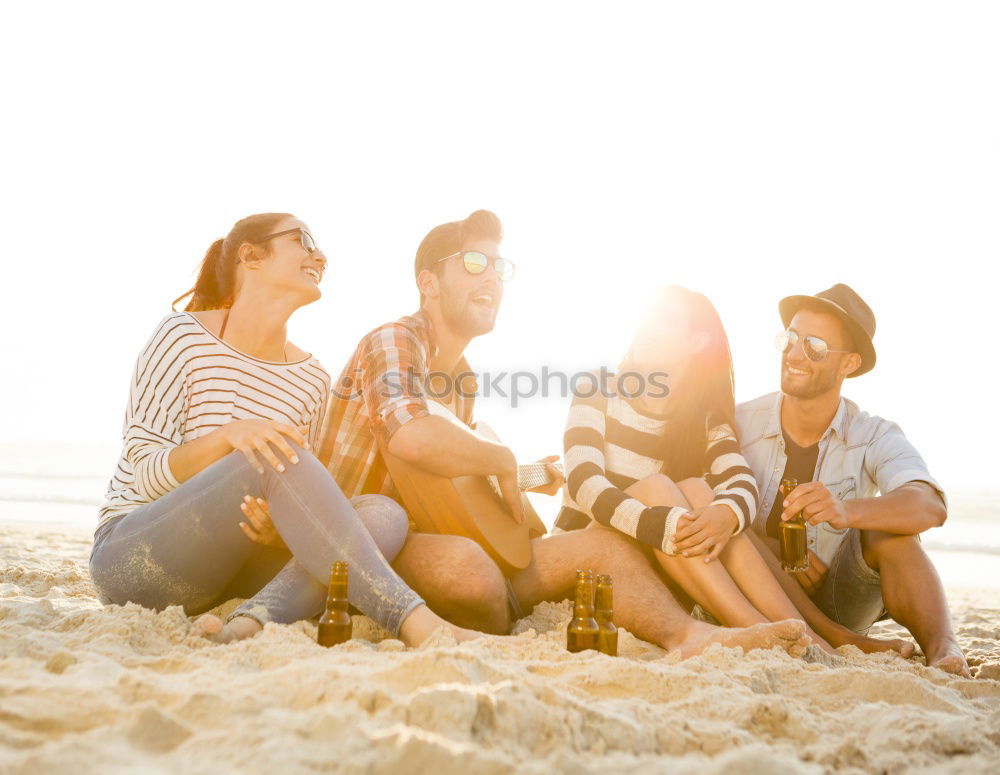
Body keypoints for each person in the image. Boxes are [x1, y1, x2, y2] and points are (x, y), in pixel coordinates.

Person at [312, 210, 811, 658]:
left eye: (498, 267)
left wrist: (530, 474)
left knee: (603, 549)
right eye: (472, 264)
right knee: (472, 571)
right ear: (429, 282)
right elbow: (412, 439)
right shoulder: (393, 340)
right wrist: (505, 460)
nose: (491, 277)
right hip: (365, 536)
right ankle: (484, 606)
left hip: (432, 533)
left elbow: (445, 481)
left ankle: (690, 637)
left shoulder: (462, 379)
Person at [89, 212, 482, 647]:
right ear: (250, 256)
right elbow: (142, 472)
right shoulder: (182, 336)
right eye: (304, 240)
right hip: (137, 558)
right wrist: (230, 437)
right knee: (268, 454)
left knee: (383, 515)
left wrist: (278, 529)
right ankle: (417, 623)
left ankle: (252, 620)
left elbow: (296, 489)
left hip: (232, 576)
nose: (320, 255)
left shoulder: (311, 378)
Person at [555, 285, 912, 656]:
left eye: (664, 321)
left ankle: (808, 635)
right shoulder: (597, 387)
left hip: (660, 568)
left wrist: (726, 514)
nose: (647, 328)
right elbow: (584, 483)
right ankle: (762, 628)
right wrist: (663, 525)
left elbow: (741, 483)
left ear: (696, 343)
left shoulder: (705, 420)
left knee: (700, 492)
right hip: (594, 554)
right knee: (661, 489)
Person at [736, 283, 969, 676]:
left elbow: (929, 505)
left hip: (841, 598)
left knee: (890, 530)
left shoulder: (873, 434)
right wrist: (775, 553)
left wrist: (846, 510)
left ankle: (945, 648)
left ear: (849, 364)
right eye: (791, 339)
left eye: (815, 347)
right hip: (757, 594)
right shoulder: (740, 423)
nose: (794, 354)